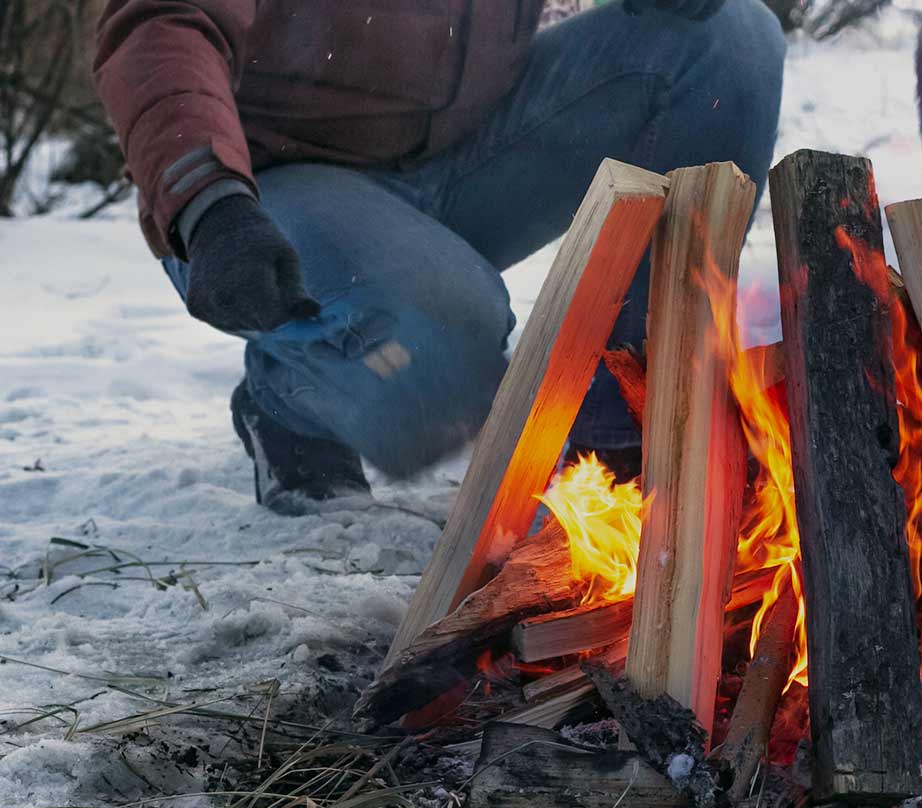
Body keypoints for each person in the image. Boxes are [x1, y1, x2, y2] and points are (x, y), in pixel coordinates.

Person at [94, 0, 787, 513]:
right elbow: (159, 27)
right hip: (267, 200)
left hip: (468, 151)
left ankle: (617, 429)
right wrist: (208, 202)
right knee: (449, 353)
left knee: (727, 39)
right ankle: (288, 399)